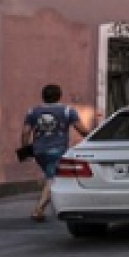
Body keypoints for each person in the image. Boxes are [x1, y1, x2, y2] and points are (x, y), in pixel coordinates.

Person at [21, 84, 85, 223]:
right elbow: (82, 130)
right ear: (59, 95)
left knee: (50, 176)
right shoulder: (68, 111)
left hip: (38, 151)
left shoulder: (33, 111)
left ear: (43, 96)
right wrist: (93, 138)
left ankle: (47, 204)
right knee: (53, 179)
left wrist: (25, 149)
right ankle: (38, 209)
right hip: (57, 151)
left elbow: (25, 132)